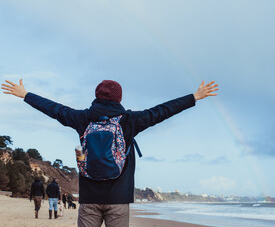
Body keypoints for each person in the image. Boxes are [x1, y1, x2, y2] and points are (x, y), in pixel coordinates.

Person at [1, 78, 218, 227]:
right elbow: (162, 111)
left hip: (89, 199)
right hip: (119, 198)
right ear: (119, 99)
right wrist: (194, 97)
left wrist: (26, 95)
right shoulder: (130, 120)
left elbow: (54, 109)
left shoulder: (82, 118)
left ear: (96, 96)